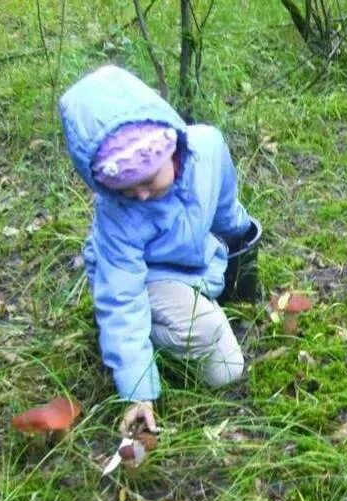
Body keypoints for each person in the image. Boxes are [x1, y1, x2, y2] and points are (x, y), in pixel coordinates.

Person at [59, 65, 260, 435]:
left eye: (148, 180)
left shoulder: (209, 149)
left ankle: (180, 318)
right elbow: (122, 297)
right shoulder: (116, 215)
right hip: (148, 279)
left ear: (170, 147)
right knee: (219, 360)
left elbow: (224, 207)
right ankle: (138, 342)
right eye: (125, 188)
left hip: (198, 265)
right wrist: (138, 393)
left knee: (227, 369)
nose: (139, 195)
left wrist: (243, 236)